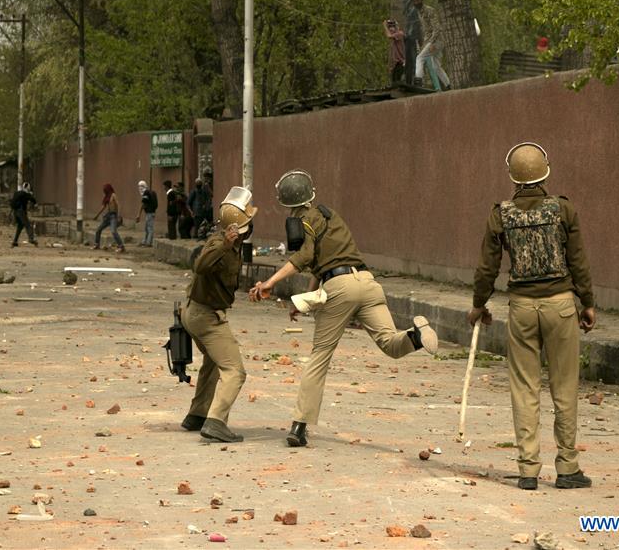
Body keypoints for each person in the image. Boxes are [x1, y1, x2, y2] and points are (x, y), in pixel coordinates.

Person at [249, 170, 440, 448]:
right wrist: (307, 298)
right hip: (367, 282)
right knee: (390, 343)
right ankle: (416, 336)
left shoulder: (302, 220)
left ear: (285, 201)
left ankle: (299, 427)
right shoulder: (330, 215)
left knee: (319, 357)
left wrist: (270, 282)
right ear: (311, 192)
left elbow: (304, 257)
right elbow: (322, 264)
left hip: (339, 288)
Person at [467, 142, 596, 491]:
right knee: (564, 387)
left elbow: (487, 268)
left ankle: (528, 470)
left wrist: (479, 305)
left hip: (522, 308)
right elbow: (578, 261)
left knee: (525, 388)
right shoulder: (563, 210)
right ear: (545, 173)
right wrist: (587, 303)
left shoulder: (501, 215)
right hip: (561, 305)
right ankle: (567, 467)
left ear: (512, 176)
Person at [180, 186, 258, 443]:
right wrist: (225, 245)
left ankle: (197, 414)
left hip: (194, 312)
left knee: (213, 361)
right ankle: (215, 422)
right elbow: (201, 265)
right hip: (206, 317)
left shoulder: (231, 246)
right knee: (235, 371)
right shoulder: (220, 244)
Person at [412, 0, 452, 90]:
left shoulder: (429, 10)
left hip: (437, 40)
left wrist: (432, 43)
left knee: (419, 58)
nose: (416, 3)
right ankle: (448, 85)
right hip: (432, 40)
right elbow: (427, 31)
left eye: (418, 0)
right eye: (414, 1)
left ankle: (418, 82)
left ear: (422, 0)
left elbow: (437, 28)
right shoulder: (419, 13)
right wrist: (425, 44)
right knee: (436, 66)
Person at [93, 183, 125, 252]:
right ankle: (96, 244)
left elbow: (118, 205)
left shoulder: (113, 195)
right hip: (108, 216)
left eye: (105, 189)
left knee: (113, 231)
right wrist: (97, 215)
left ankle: (121, 247)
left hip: (114, 216)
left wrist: (119, 216)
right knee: (98, 229)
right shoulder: (106, 197)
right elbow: (103, 207)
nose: (104, 191)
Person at [401, 0, 421, 86]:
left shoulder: (414, 10)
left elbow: (415, 25)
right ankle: (408, 81)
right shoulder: (408, 11)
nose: (403, 3)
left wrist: (410, 35)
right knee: (408, 61)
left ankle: (416, 80)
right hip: (408, 39)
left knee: (415, 60)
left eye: (404, 1)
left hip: (413, 39)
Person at [10, 182, 38, 247]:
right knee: (28, 225)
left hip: (15, 212)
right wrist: (35, 203)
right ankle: (31, 239)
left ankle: (15, 241)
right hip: (21, 212)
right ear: (27, 187)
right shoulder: (25, 194)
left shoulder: (17, 193)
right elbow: (33, 199)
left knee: (20, 226)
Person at [383, 19, 406, 85]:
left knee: (398, 82)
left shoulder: (400, 34)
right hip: (395, 64)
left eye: (392, 27)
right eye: (389, 27)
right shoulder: (394, 39)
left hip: (401, 63)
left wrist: (385, 26)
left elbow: (389, 36)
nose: (390, 29)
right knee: (393, 82)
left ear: (396, 27)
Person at [137, 180, 158, 247]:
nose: (139, 188)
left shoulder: (146, 193)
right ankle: (145, 241)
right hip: (151, 212)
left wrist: (138, 214)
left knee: (149, 228)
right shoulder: (152, 192)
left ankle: (149, 243)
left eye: (140, 186)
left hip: (149, 213)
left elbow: (143, 203)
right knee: (147, 228)